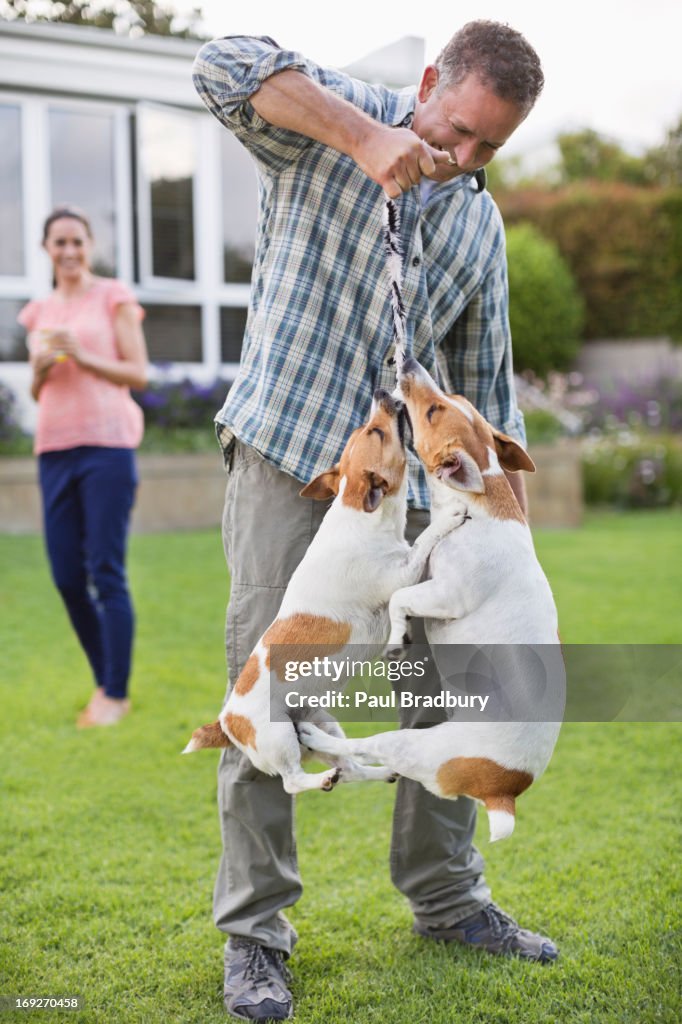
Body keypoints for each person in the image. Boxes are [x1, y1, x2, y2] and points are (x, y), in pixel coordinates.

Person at [193, 21, 556, 1020]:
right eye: (461, 130)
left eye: (491, 149)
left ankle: (447, 900)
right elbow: (220, 64)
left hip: (402, 511)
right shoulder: (320, 124)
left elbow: (483, 392)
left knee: (443, 683)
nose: (465, 159)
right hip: (288, 466)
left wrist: (504, 534)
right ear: (431, 80)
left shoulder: (475, 225)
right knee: (278, 694)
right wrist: (360, 134)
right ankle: (256, 938)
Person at [19, 206, 149, 728]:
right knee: (67, 578)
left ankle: (115, 695)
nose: (69, 252)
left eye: (77, 241)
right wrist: (40, 370)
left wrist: (84, 356)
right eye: (59, 243)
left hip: (107, 448)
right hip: (53, 450)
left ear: (89, 245)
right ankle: (106, 683)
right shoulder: (37, 312)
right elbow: (37, 391)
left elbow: (138, 373)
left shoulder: (112, 296)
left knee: (104, 570)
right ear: (46, 250)